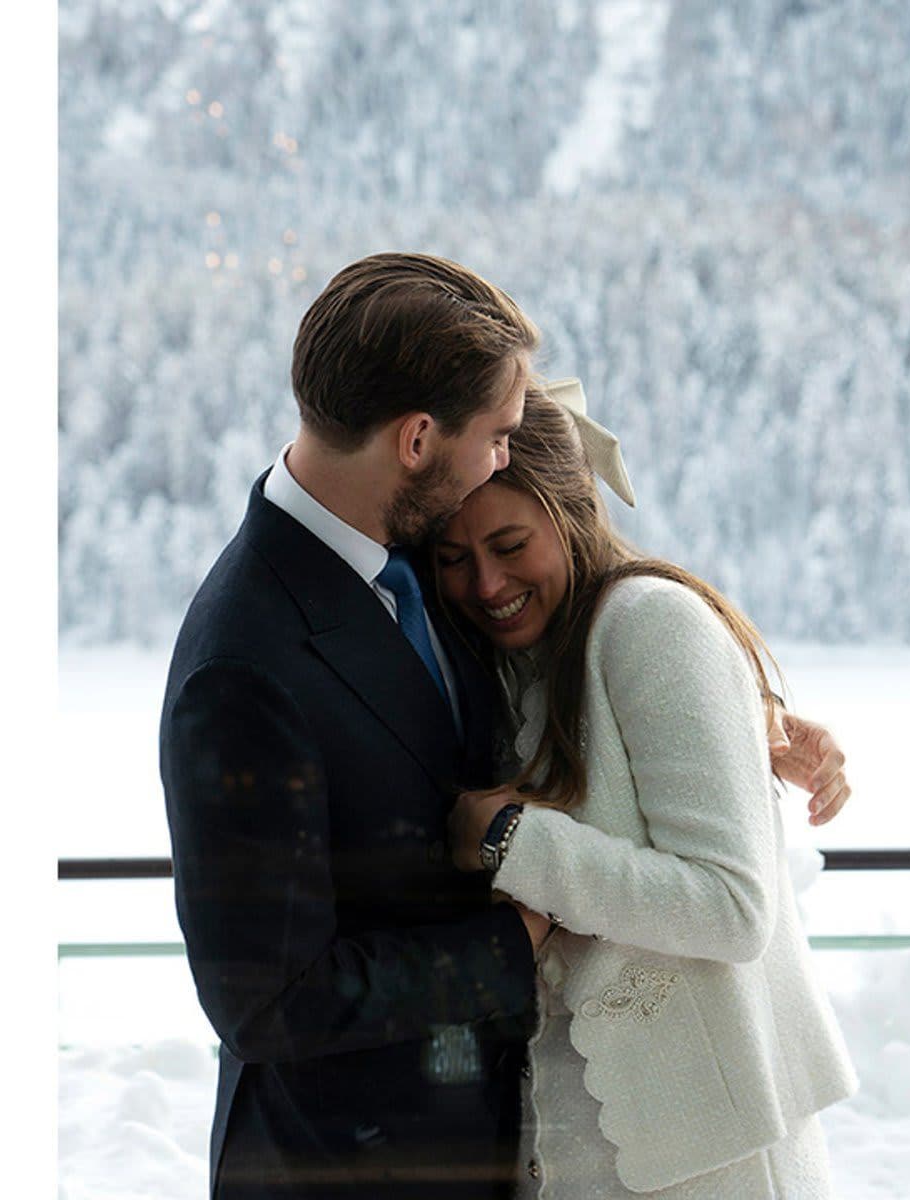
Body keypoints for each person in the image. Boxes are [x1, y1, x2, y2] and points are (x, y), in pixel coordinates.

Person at [161, 252, 851, 1198]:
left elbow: (562, 666)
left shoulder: (402, 562)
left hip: (532, 1147)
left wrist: (741, 715)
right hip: (352, 1168)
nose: (506, 452)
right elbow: (265, 1000)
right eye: (496, 434)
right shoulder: (248, 659)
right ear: (415, 440)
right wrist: (507, 941)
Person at [442, 382, 859, 1198]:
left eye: (510, 543)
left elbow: (731, 907)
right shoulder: (507, 656)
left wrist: (509, 841)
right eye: (455, 559)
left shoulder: (650, 623)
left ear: (569, 513)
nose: (486, 584)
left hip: (713, 1159)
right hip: (580, 1152)